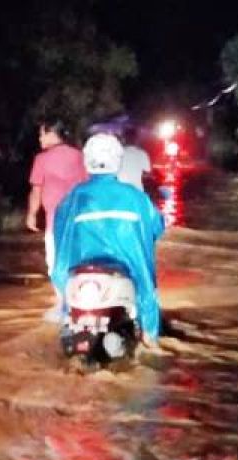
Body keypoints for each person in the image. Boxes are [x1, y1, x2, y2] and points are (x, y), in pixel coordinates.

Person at [52, 133, 165, 344]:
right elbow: (157, 226)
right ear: (117, 160)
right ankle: (150, 338)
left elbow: (59, 233)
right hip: (127, 270)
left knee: (67, 313)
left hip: (80, 278)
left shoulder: (74, 197)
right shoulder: (135, 196)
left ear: (88, 161)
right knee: (146, 292)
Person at [26, 119, 87, 321]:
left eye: (42, 133)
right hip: (79, 222)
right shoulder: (79, 156)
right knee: (77, 262)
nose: (39, 138)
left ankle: (63, 304)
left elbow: (36, 190)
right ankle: (79, 303)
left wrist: (31, 214)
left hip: (55, 223)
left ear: (52, 134)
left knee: (55, 263)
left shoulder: (41, 160)